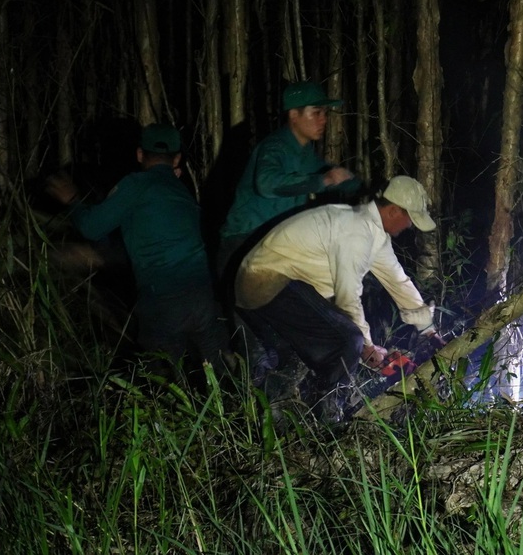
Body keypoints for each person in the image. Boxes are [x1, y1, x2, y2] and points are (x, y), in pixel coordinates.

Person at [234, 176, 443, 422]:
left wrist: (429, 331)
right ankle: (328, 420)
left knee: (303, 355)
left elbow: (398, 281)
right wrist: (366, 345)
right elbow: (347, 296)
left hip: (280, 285)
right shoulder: (356, 231)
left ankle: (280, 416)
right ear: (394, 210)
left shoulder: (372, 232)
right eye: (409, 219)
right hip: (266, 281)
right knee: (348, 341)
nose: (409, 226)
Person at [46, 124, 231, 385]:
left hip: (162, 300)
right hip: (202, 295)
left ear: (140, 155)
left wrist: (72, 200)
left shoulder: (136, 185)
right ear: (176, 159)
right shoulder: (182, 190)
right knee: (220, 375)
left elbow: (91, 227)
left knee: (162, 383)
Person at [217, 81, 361, 276]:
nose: (323, 120)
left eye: (325, 113)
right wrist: (323, 180)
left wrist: (364, 187)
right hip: (244, 241)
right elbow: (266, 184)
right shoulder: (274, 146)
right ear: (294, 114)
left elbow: (327, 176)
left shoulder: (304, 151)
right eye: (316, 113)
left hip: (273, 241)